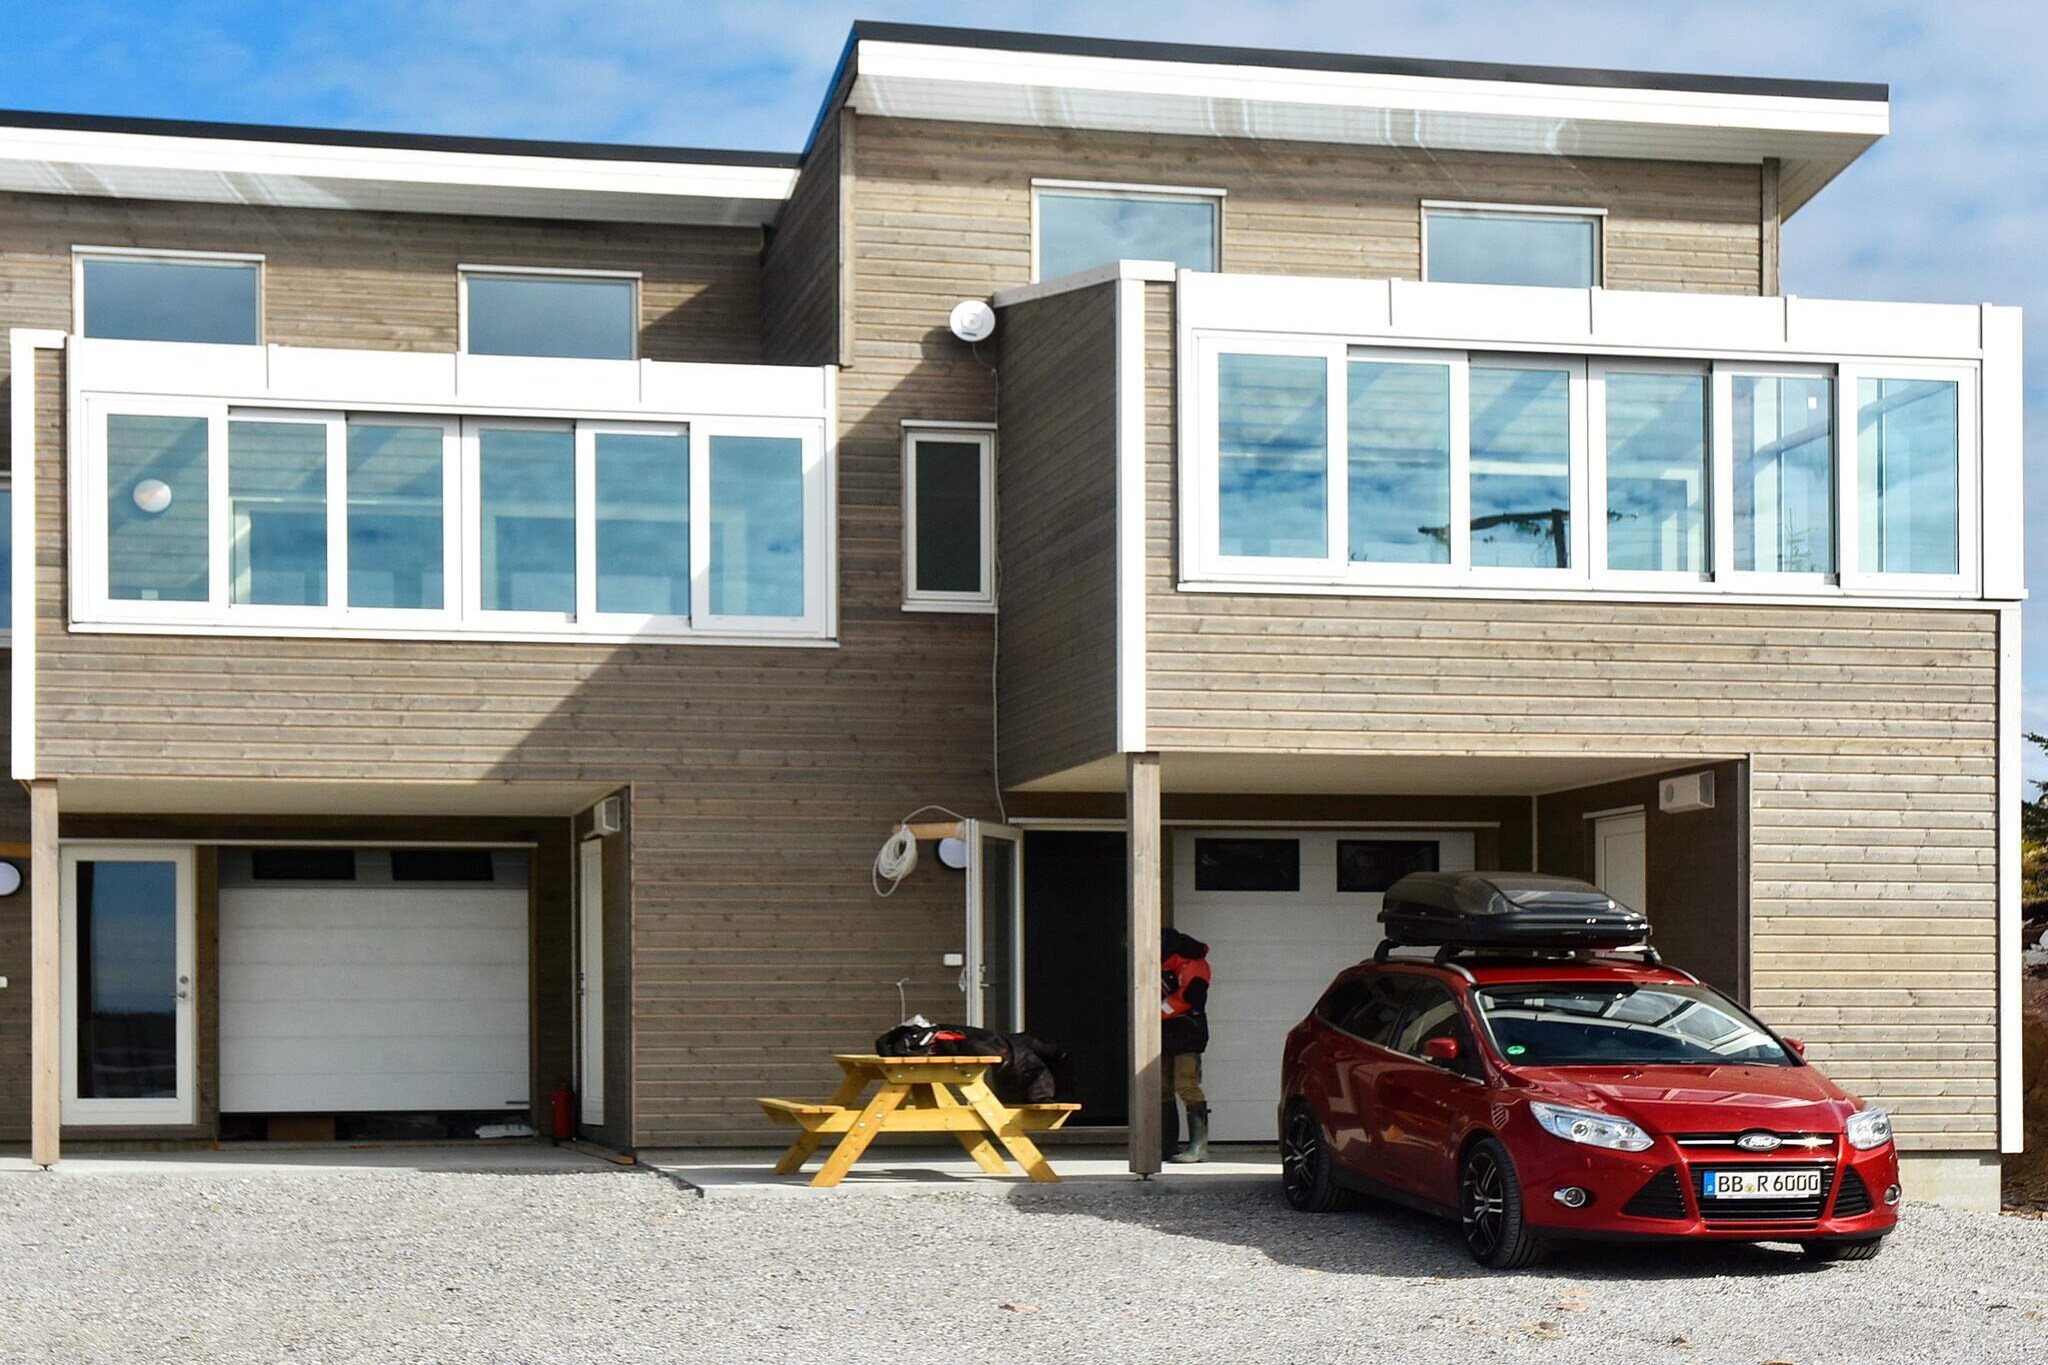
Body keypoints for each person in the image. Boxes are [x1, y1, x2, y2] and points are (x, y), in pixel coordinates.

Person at [1161, 927, 1212, 1163]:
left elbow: (1191, 998)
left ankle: (1198, 1148)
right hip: (1165, 1031)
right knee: (1162, 1087)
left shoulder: (1194, 965)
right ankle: (1166, 1146)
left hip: (1188, 1032)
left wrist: (1158, 1011)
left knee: (1186, 1084)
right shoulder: (1171, 964)